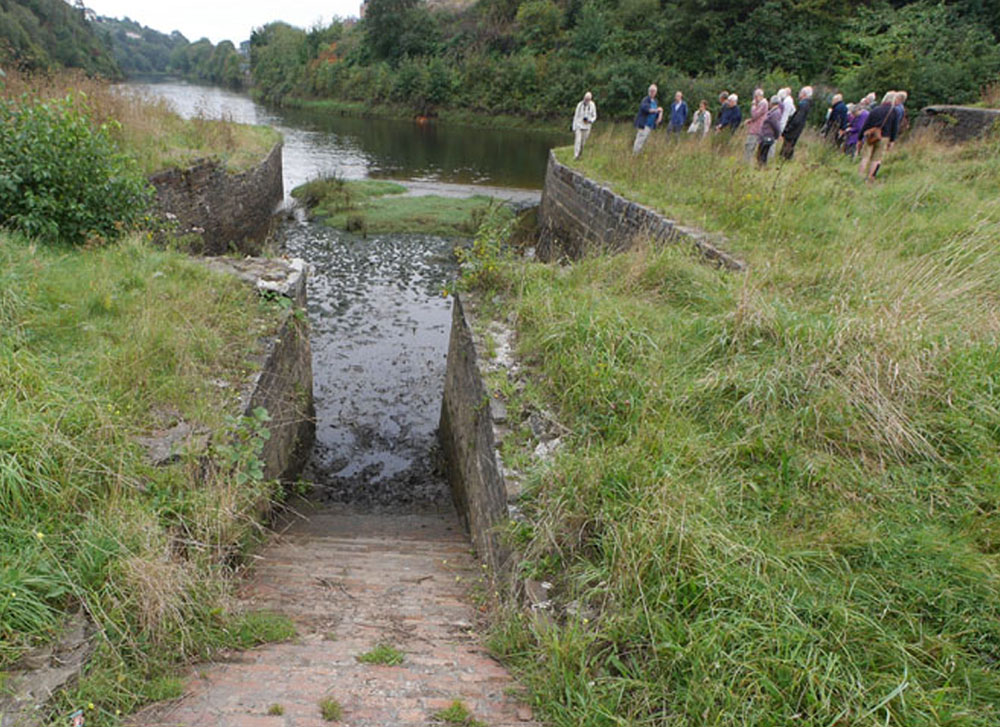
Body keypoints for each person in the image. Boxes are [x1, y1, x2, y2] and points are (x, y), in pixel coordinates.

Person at [858, 92, 900, 182]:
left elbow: (866, 124)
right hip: (884, 137)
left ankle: (860, 175)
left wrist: (860, 137)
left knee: (865, 156)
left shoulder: (875, 110)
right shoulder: (894, 111)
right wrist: (892, 141)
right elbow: (895, 127)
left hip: (871, 135)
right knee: (876, 158)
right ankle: (870, 177)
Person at [779, 85, 813, 160]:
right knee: (790, 146)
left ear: (804, 94)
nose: (799, 94)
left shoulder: (803, 105)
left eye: (800, 92)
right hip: (797, 129)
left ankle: (784, 161)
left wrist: (788, 128)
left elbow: (797, 119)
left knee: (787, 147)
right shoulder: (807, 104)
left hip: (793, 130)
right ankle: (786, 160)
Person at [633, 84, 663, 154]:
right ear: (648, 91)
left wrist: (659, 115)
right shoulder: (645, 100)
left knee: (644, 140)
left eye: (654, 91)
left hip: (650, 125)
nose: (652, 92)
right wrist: (657, 110)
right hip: (644, 124)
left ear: (656, 92)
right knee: (640, 140)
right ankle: (635, 154)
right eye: (651, 91)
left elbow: (657, 113)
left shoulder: (655, 101)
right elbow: (646, 109)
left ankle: (639, 154)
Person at [757, 94, 783, 165]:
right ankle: (761, 167)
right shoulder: (773, 111)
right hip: (766, 135)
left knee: (763, 154)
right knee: (761, 154)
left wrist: (778, 135)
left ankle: (762, 168)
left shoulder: (776, 112)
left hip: (768, 135)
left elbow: (776, 125)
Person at [572, 91, 597, 159]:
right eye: (585, 99)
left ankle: (580, 154)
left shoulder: (592, 105)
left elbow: (594, 116)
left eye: (588, 99)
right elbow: (576, 116)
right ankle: (576, 155)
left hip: (587, 126)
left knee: (583, 142)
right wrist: (574, 127)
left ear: (590, 99)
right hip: (579, 126)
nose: (586, 100)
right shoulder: (579, 105)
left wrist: (590, 120)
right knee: (578, 141)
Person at [744, 88, 768, 161]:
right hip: (756, 128)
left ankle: (748, 162)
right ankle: (747, 162)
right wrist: (750, 120)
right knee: (749, 146)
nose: (755, 99)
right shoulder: (762, 104)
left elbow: (755, 114)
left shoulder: (763, 103)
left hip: (756, 129)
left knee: (750, 146)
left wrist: (753, 105)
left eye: (756, 97)